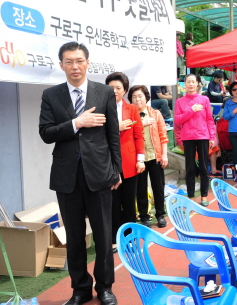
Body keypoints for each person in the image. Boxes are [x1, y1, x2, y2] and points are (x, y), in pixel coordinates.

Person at [39, 42, 120, 305]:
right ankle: (80, 289)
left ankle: (105, 286)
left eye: (79, 61)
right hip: (67, 176)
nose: (75, 66)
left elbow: (112, 135)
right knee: (74, 236)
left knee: (103, 234)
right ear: (61, 65)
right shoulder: (51, 95)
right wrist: (77, 123)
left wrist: (116, 170)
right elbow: (46, 133)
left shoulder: (104, 92)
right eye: (69, 61)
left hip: (99, 173)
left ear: (87, 63)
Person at [106, 72, 145, 252]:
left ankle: (130, 238)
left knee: (129, 202)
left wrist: (140, 159)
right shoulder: (101, 108)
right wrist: (116, 127)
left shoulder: (132, 109)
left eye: (118, 88)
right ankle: (115, 239)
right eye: (111, 87)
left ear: (125, 90)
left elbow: (138, 136)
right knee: (112, 203)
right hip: (109, 163)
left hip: (130, 162)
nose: (114, 91)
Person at [128, 85, 169, 229]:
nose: (137, 99)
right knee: (141, 189)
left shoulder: (155, 114)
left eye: (140, 96)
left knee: (158, 187)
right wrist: (140, 123)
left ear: (146, 97)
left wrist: (164, 154)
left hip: (155, 156)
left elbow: (163, 136)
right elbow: (126, 135)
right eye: (134, 97)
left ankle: (160, 215)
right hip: (138, 159)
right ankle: (144, 217)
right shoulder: (129, 116)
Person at [174, 73, 216, 206]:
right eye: (188, 82)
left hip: (203, 136)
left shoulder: (204, 99)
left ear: (197, 83)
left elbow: (210, 119)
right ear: (184, 84)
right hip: (187, 137)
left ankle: (204, 196)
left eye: (193, 82)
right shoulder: (180, 101)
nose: (191, 84)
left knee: (204, 167)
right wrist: (191, 110)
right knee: (190, 168)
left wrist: (212, 136)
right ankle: (191, 196)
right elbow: (178, 120)